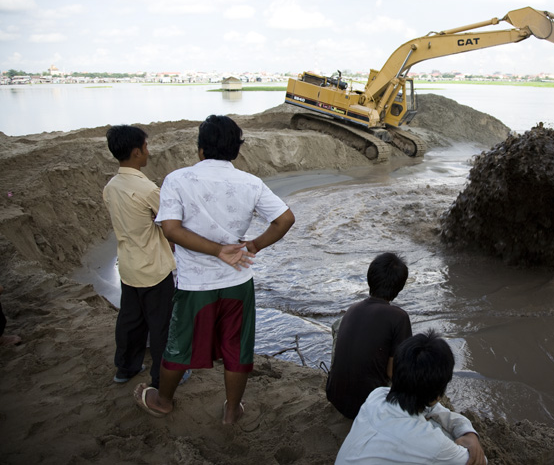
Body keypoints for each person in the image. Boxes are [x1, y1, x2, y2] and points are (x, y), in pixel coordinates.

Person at [133, 114, 295, 425]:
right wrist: (254, 246)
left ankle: (163, 401)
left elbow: (171, 229)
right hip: (238, 281)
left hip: (196, 284)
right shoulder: (251, 183)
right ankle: (232, 411)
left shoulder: (178, 180)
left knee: (179, 343)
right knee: (237, 347)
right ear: (236, 150)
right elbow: (285, 220)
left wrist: (216, 250)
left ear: (200, 149)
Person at [335, 330, 487, 464]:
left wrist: (467, 431)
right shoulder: (433, 445)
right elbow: (478, 460)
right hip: (429, 443)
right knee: (441, 430)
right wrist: (470, 436)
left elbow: (435, 409)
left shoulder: (377, 395)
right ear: (439, 394)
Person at [103, 125, 176, 389]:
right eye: (146, 147)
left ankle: (126, 367)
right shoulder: (147, 190)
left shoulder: (111, 187)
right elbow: (169, 224)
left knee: (131, 320)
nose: (148, 151)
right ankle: (162, 376)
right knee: (161, 325)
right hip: (154, 268)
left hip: (129, 265)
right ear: (136, 152)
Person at [326, 252, 412, 419]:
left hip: (336, 397)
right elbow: (393, 373)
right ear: (400, 287)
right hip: (367, 407)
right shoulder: (399, 317)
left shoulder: (352, 309)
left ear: (369, 279)